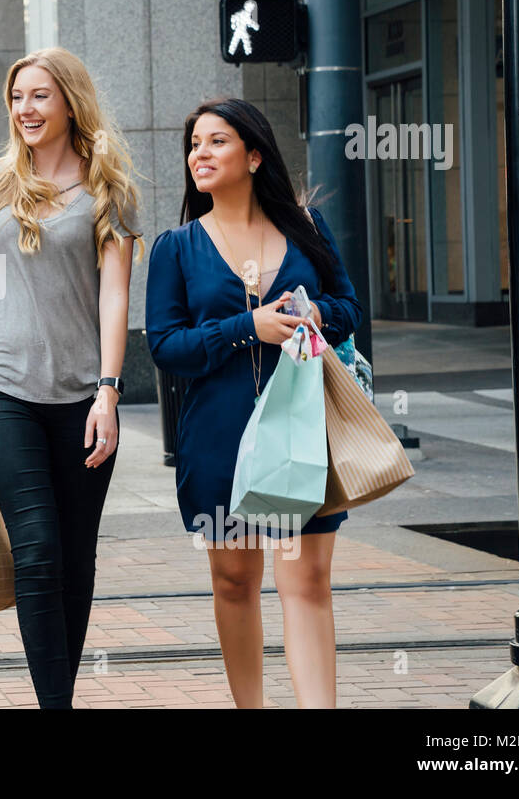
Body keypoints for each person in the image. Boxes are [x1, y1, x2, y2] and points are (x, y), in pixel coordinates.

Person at [144, 98, 363, 708]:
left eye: (216, 142)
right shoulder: (176, 247)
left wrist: (317, 312)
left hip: (304, 429)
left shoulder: (307, 227)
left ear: (254, 155)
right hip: (219, 436)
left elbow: (349, 308)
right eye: (194, 144)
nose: (200, 154)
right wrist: (248, 328)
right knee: (235, 581)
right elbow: (166, 347)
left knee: (309, 580)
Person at [0, 47, 143, 709]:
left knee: (73, 555)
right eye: (17, 97)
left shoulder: (109, 185)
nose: (25, 109)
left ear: (69, 101)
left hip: (83, 395)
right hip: (3, 388)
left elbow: (116, 294)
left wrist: (109, 390)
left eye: (39, 95)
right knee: (35, 550)